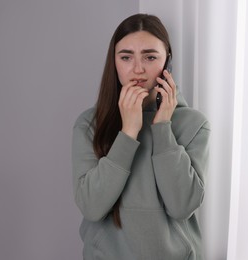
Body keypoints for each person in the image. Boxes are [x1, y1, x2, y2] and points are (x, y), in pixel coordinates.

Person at [72, 13, 210, 260]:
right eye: (126, 57)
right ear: (113, 62)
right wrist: (128, 132)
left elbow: (182, 206)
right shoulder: (89, 125)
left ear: (167, 60)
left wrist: (162, 127)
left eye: (150, 57)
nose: (137, 69)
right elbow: (92, 207)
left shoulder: (194, 125)